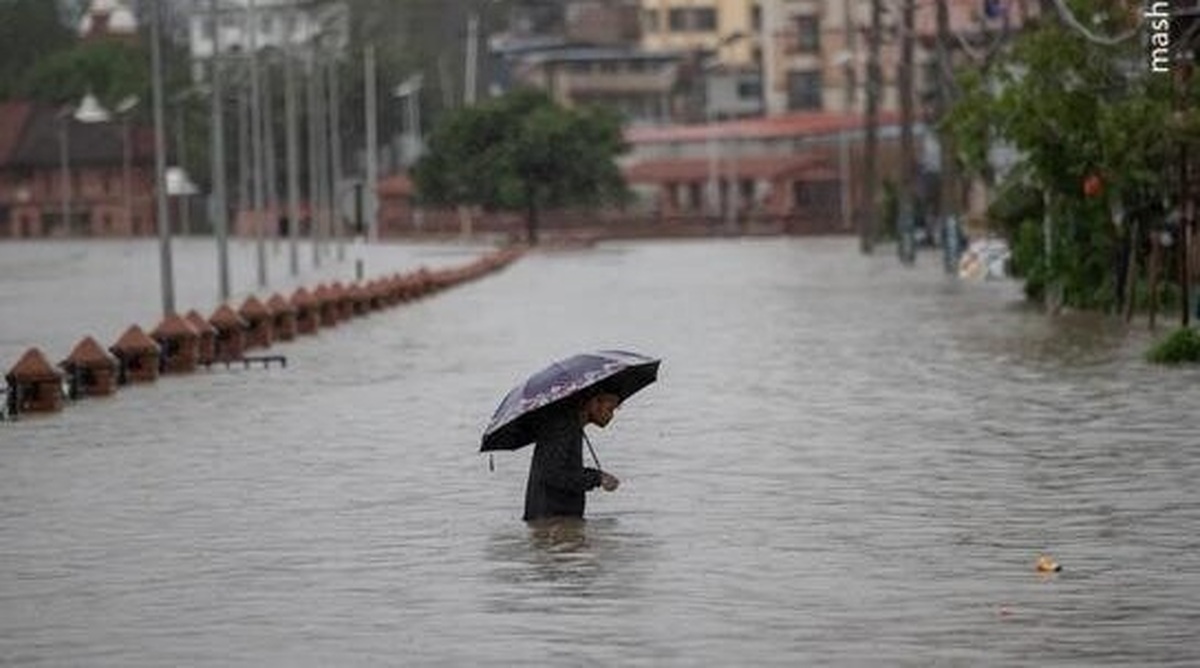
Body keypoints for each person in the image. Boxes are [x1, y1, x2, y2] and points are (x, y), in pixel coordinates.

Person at [523, 391, 622, 522]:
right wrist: (597, 478)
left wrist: (599, 475)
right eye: (609, 409)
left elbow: (566, 470)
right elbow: (553, 474)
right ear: (593, 403)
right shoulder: (563, 427)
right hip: (552, 521)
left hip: (557, 519)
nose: (611, 416)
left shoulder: (572, 426)